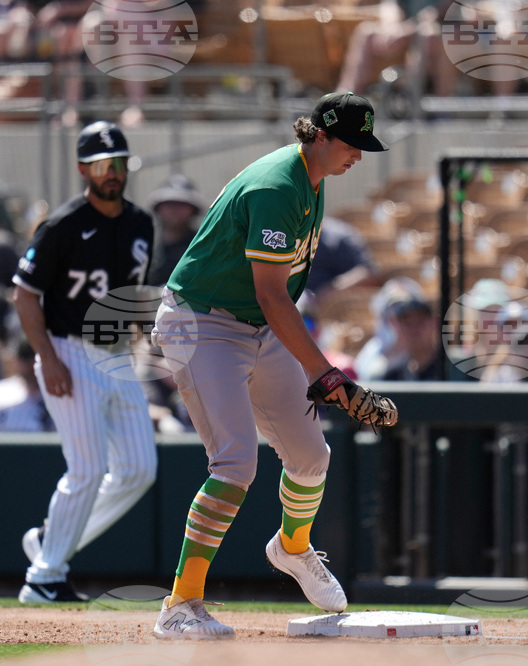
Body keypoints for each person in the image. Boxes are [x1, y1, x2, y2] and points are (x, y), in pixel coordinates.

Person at [150, 92, 398, 639]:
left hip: (256, 326)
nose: (359, 154)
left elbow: (272, 300)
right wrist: (327, 373)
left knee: (311, 457)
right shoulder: (277, 185)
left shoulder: (312, 176)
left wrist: (320, 369)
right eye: (353, 144)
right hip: (203, 323)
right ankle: (179, 605)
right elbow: (271, 293)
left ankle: (293, 547)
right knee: (236, 464)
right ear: (322, 136)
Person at [13, 120, 158, 603]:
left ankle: (50, 542)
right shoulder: (62, 225)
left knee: (140, 468)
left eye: (117, 163)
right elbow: (26, 296)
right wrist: (47, 359)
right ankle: (44, 576)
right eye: (101, 165)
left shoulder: (141, 222)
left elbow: (136, 296)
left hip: (118, 355)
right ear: (83, 169)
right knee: (88, 469)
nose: (111, 172)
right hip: (69, 350)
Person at [147, 174, 208, 287]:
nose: (175, 210)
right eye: (170, 204)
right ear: (158, 208)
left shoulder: (203, 246)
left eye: (182, 205)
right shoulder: (144, 245)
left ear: (193, 210)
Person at [0, 337, 53, 432]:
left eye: (37, 356)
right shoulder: (3, 392)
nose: (32, 363)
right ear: (15, 360)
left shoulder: (60, 395)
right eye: (26, 356)